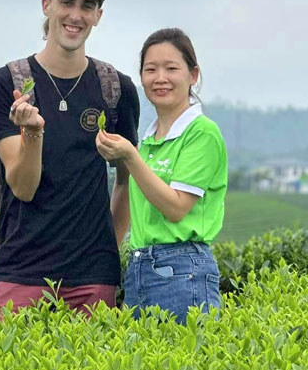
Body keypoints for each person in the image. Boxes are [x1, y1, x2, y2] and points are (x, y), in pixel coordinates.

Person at [0, 0, 140, 316]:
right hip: (20, 267)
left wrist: (106, 251)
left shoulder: (117, 89)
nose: (75, 15)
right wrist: (33, 132)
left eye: (86, 6)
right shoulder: (8, 84)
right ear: (46, 6)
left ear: (98, 16)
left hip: (93, 276)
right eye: (66, 1)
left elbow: (127, 179)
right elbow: (23, 188)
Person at [95, 28, 227, 324]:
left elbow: (176, 207)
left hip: (183, 269)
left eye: (171, 68)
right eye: (150, 69)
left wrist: (129, 156)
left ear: (193, 75)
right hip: (141, 267)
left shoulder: (201, 133)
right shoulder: (151, 138)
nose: (160, 78)